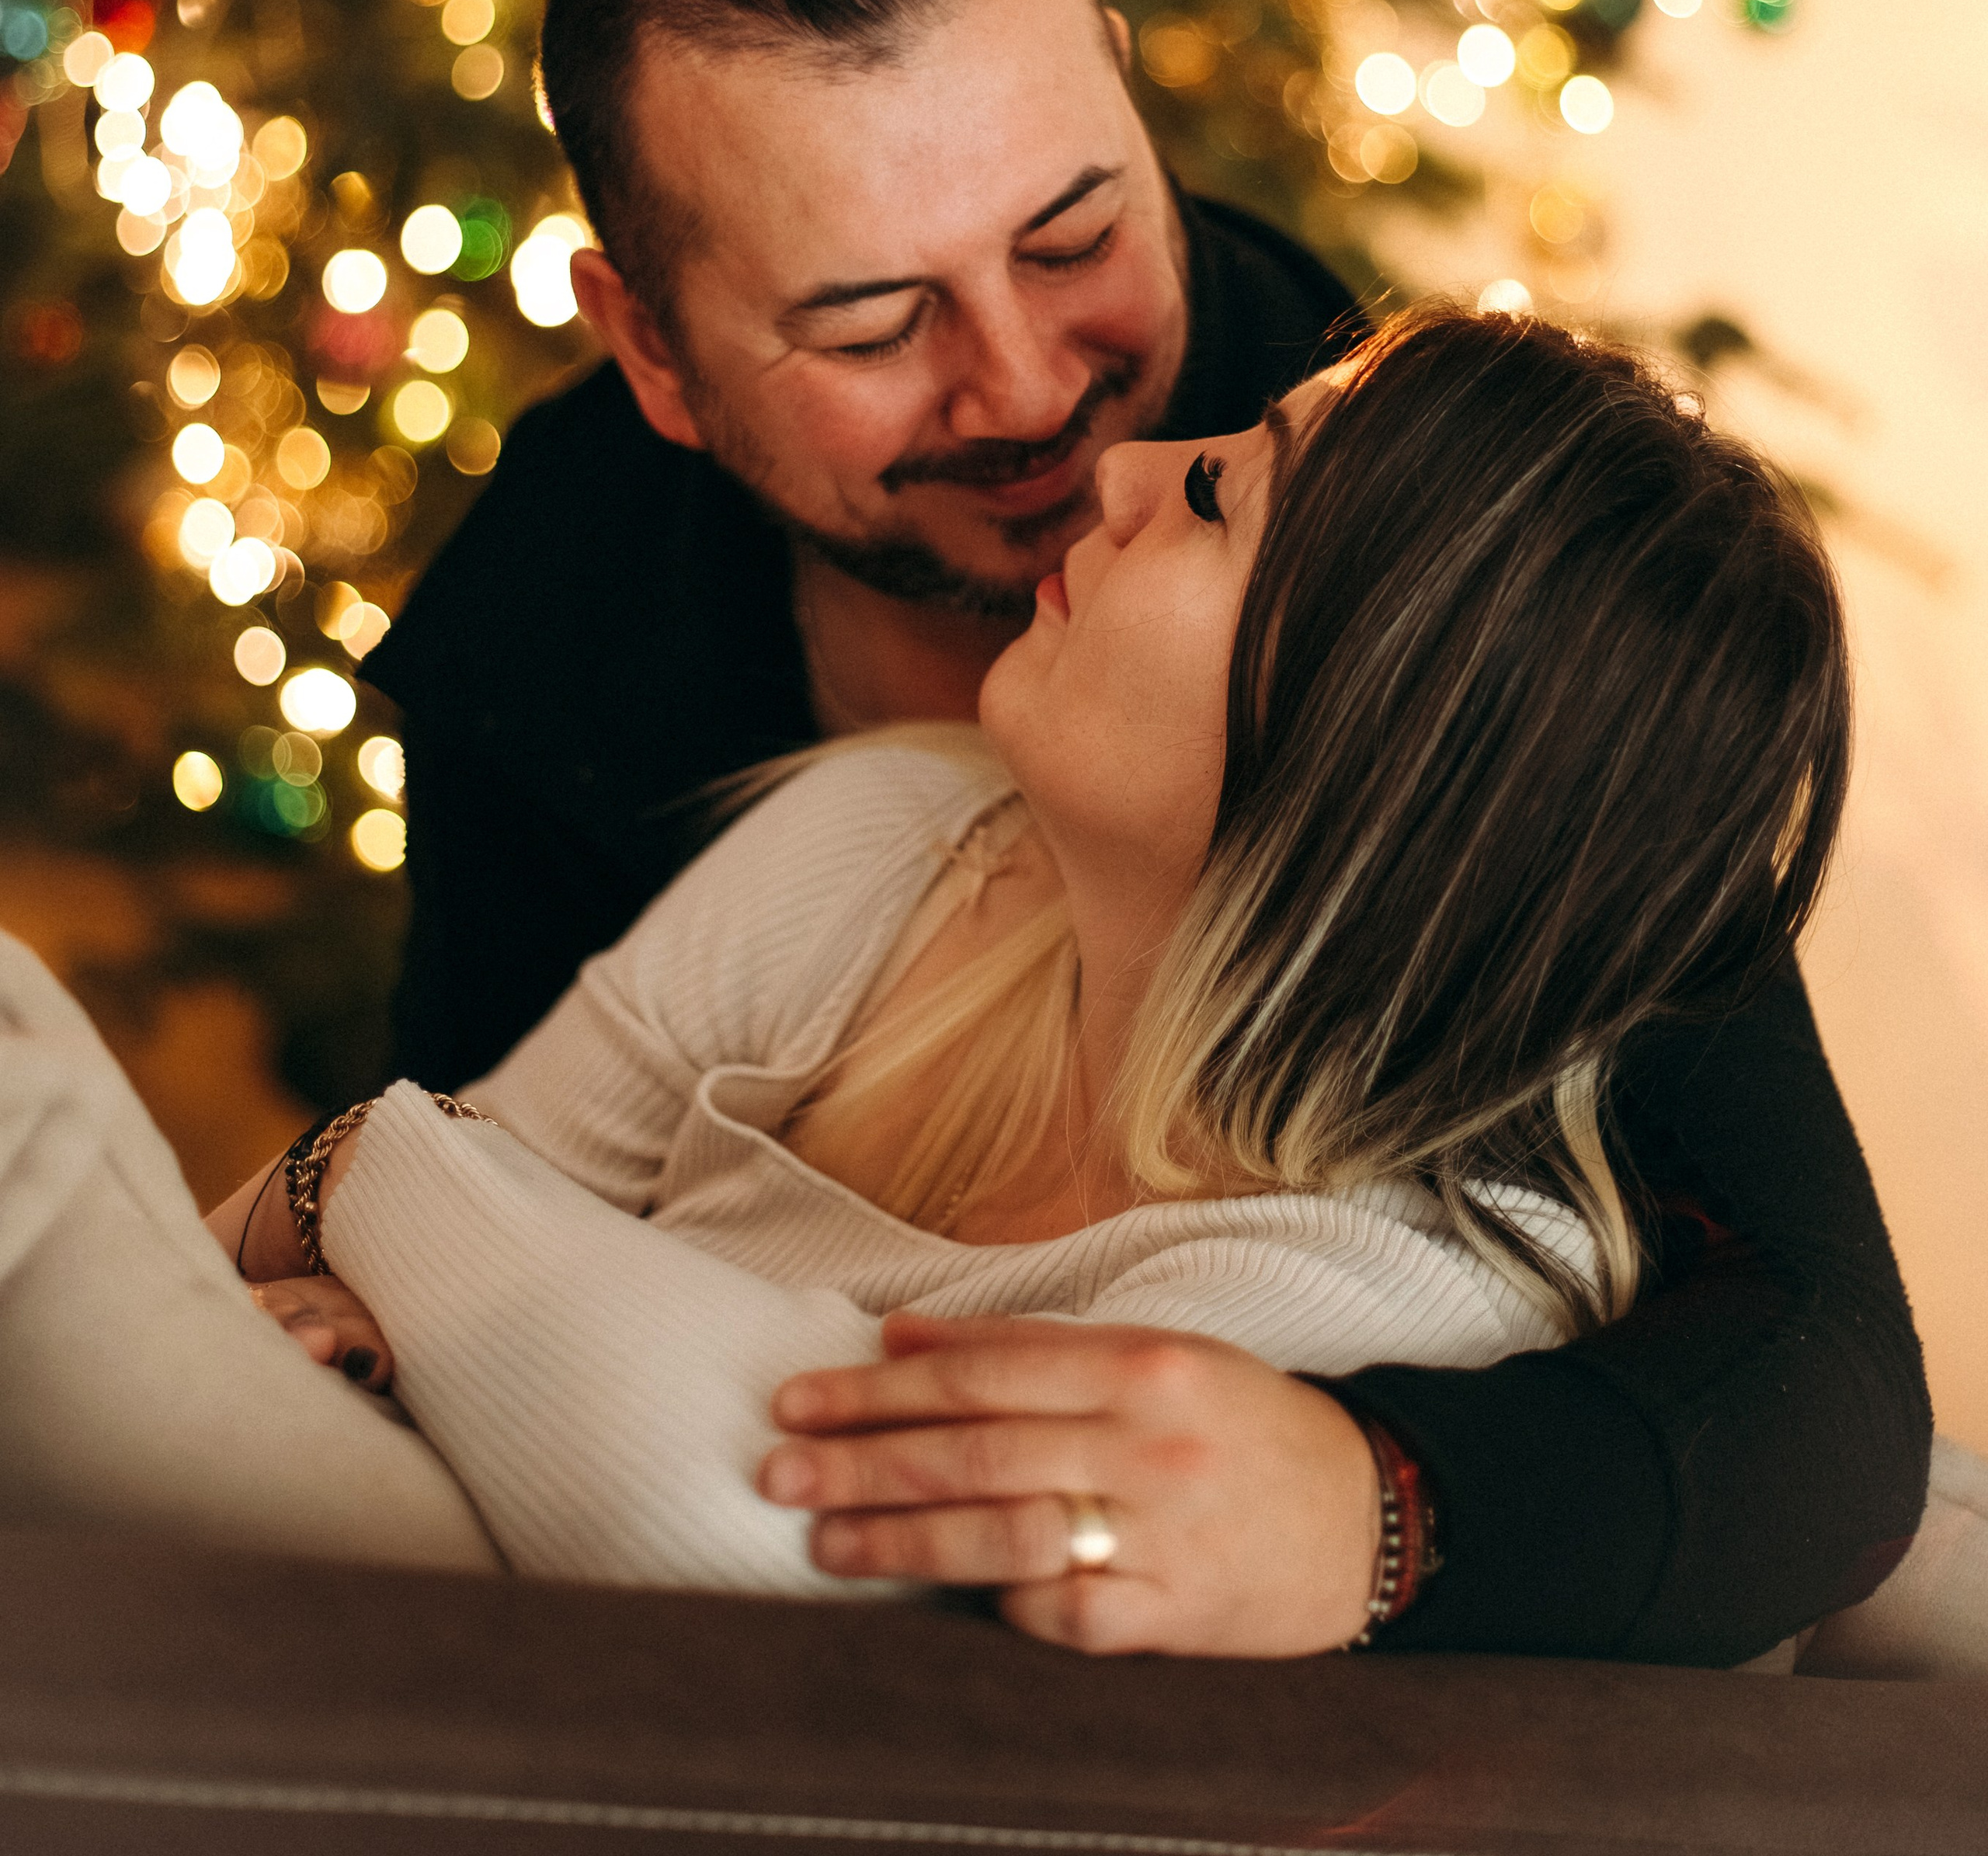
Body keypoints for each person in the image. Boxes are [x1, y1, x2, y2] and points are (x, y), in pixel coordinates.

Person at [363, 0, 1929, 1663]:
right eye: (869, 328)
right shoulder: (553, 617)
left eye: (1071, 229)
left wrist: (1369, 1502)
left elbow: (1825, 1384)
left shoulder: (1402, 544)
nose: (1039, 399)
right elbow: (461, 1190)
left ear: (1122, 97)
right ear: (655, 351)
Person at [230, 311, 1855, 1656]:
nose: (1126, 468)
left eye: (1219, 499)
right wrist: (416, 1258)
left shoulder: (1387, 1309)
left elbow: (706, 1509)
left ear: (1373, 760)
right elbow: (304, 1278)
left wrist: (372, 1170)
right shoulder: (896, 835)